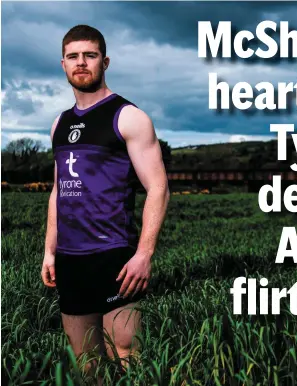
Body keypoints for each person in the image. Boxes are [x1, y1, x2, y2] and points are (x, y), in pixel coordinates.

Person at [41, 24, 170, 381]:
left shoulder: (128, 117)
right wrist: (50, 250)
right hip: (70, 258)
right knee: (86, 363)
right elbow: (58, 190)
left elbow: (158, 187)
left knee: (126, 353)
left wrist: (144, 254)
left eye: (90, 55)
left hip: (115, 256)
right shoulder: (59, 124)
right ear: (63, 64)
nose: (81, 63)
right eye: (73, 56)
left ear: (105, 61)